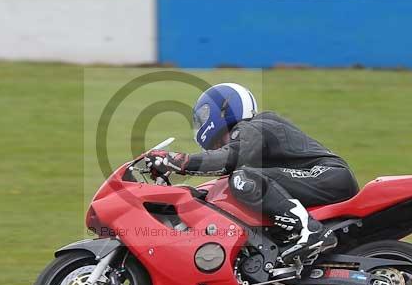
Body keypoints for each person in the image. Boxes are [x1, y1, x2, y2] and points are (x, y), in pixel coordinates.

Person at [145, 83, 359, 266]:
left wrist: (178, 161)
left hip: (326, 175)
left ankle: (312, 232)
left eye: (204, 117)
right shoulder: (252, 138)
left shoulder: (255, 126)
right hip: (315, 180)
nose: (202, 127)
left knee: (241, 179)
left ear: (222, 109)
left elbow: (230, 158)